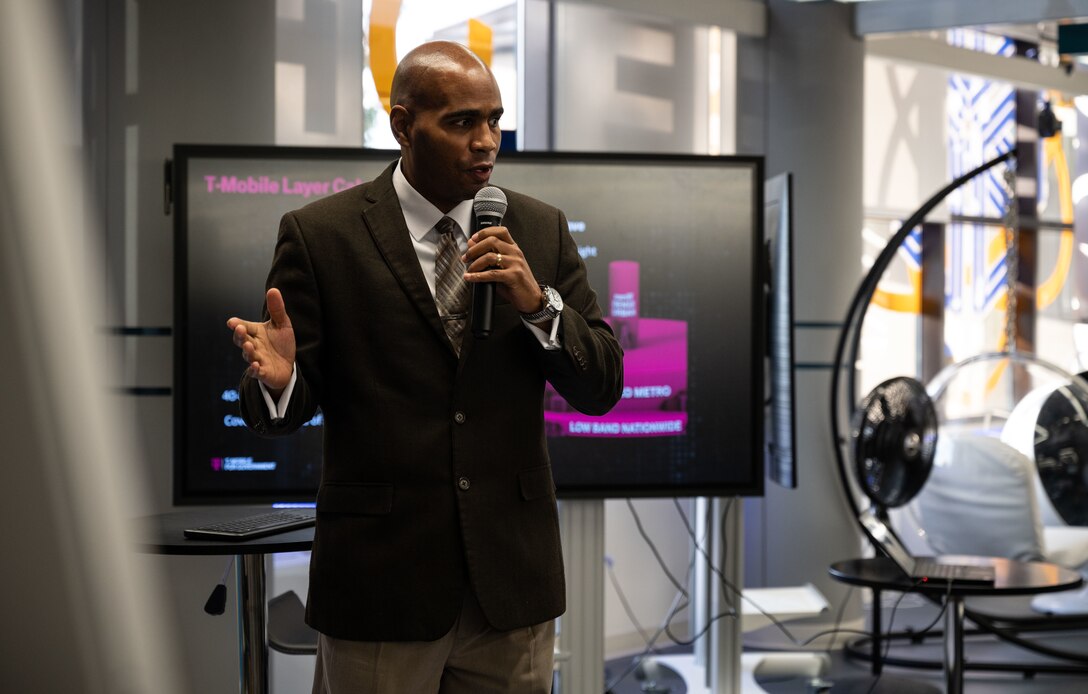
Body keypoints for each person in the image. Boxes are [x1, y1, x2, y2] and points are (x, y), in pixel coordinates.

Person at [227, 40, 623, 693]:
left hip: (510, 587)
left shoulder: (539, 230)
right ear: (403, 125)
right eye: (463, 122)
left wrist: (538, 304)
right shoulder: (321, 234)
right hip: (380, 585)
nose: (486, 141)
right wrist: (279, 383)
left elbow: (602, 384)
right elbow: (287, 407)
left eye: (494, 120)